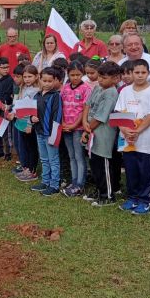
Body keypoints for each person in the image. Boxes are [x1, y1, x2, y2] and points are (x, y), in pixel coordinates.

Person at [115, 59, 150, 215]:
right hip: (128, 140)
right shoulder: (125, 91)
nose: (140, 75)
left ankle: (145, 199)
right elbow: (118, 113)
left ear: (148, 73)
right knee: (131, 170)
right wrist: (124, 129)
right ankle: (132, 197)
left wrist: (138, 131)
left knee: (145, 170)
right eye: (137, 72)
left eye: (143, 72)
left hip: (146, 139)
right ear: (131, 73)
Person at [81, 61, 121, 206]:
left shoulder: (111, 93)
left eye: (104, 78)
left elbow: (100, 117)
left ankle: (108, 195)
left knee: (103, 164)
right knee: (95, 163)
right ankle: (99, 189)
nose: (100, 80)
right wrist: (85, 122)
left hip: (103, 134)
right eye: (100, 76)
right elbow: (87, 104)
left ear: (115, 79)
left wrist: (88, 127)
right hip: (92, 131)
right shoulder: (98, 88)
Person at [29, 67, 63, 196]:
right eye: (44, 80)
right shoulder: (36, 95)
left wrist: (53, 135)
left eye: (50, 81)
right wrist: (32, 119)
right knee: (44, 159)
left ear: (55, 81)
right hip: (39, 132)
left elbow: (57, 116)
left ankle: (54, 185)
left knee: (53, 159)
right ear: (40, 80)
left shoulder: (55, 96)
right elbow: (32, 112)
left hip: (50, 134)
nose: (47, 83)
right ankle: (45, 181)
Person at [60, 61, 91, 197]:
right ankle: (73, 181)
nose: (75, 77)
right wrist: (63, 124)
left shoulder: (86, 89)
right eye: (72, 75)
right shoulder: (65, 88)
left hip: (78, 128)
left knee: (79, 156)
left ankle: (80, 184)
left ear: (82, 74)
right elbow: (61, 106)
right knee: (71, 156)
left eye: (78, 74)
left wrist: (74, 125)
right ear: (68, 74)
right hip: (66, 127)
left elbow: (85, 109)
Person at [11, 64, 40, 182]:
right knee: (23, 146)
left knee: (31, 146)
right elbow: (18, 104)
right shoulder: (23, 88)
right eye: (25, 76)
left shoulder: (37, 91)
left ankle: (32, 171)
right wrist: (13, 113)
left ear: (36, 76)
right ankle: (26, 168)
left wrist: (29, 124)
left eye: (30, 76)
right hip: (20, 122)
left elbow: (34, 110)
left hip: (29, 124)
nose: (27, 79)